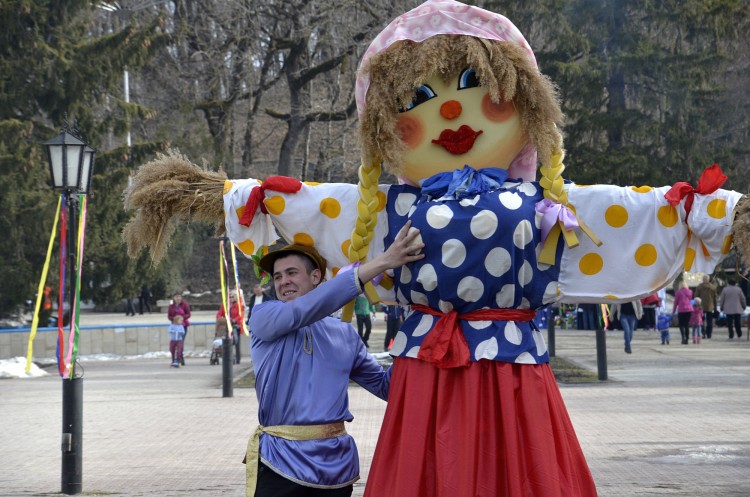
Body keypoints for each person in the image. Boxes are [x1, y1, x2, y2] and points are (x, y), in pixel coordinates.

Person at [123, 2, 748, 495]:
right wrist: (208, 194)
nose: (453, 109)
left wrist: (725, 212)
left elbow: (641, 209)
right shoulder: (392, 208)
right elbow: (307, 203)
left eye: (477, 86)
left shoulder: (546, 206)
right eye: (420, 99)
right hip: (428, 377)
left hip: (511, 378)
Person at [245, 223, 424, 497]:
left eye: (292, 273)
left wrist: (418, 329)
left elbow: (388, 387)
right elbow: (302, 312)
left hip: (336, 467)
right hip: (279, 462)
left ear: (316, 276)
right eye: (278, 276)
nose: (283, 282)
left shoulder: (345, 335)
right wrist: (380, 263)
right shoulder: (265, 317)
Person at [217, 292, 244, 364]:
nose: (230, 299)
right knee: (227, 341)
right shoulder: (224, 306)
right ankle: (228, 357)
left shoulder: (238, 306)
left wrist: (234, 320)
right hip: (227, 325)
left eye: (232, 297)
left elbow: (240, 316)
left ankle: (238, 358)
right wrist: (222, 319)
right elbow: (219, 314)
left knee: (237, 342)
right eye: (229, 297)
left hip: (236, 325)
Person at [168, 293, 191, 365]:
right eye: (176, 297)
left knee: (180, 342)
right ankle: (174, 359)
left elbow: (188, 314)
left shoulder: (184, 305)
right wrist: (175, 319)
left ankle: (180, 359)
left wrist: (181, 318)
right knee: (173, 344)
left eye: (179, 297)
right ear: (174, 298)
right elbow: (169, 316)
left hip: (183, 326)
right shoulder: (171, 306)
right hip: (174, 327)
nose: (178, 298)